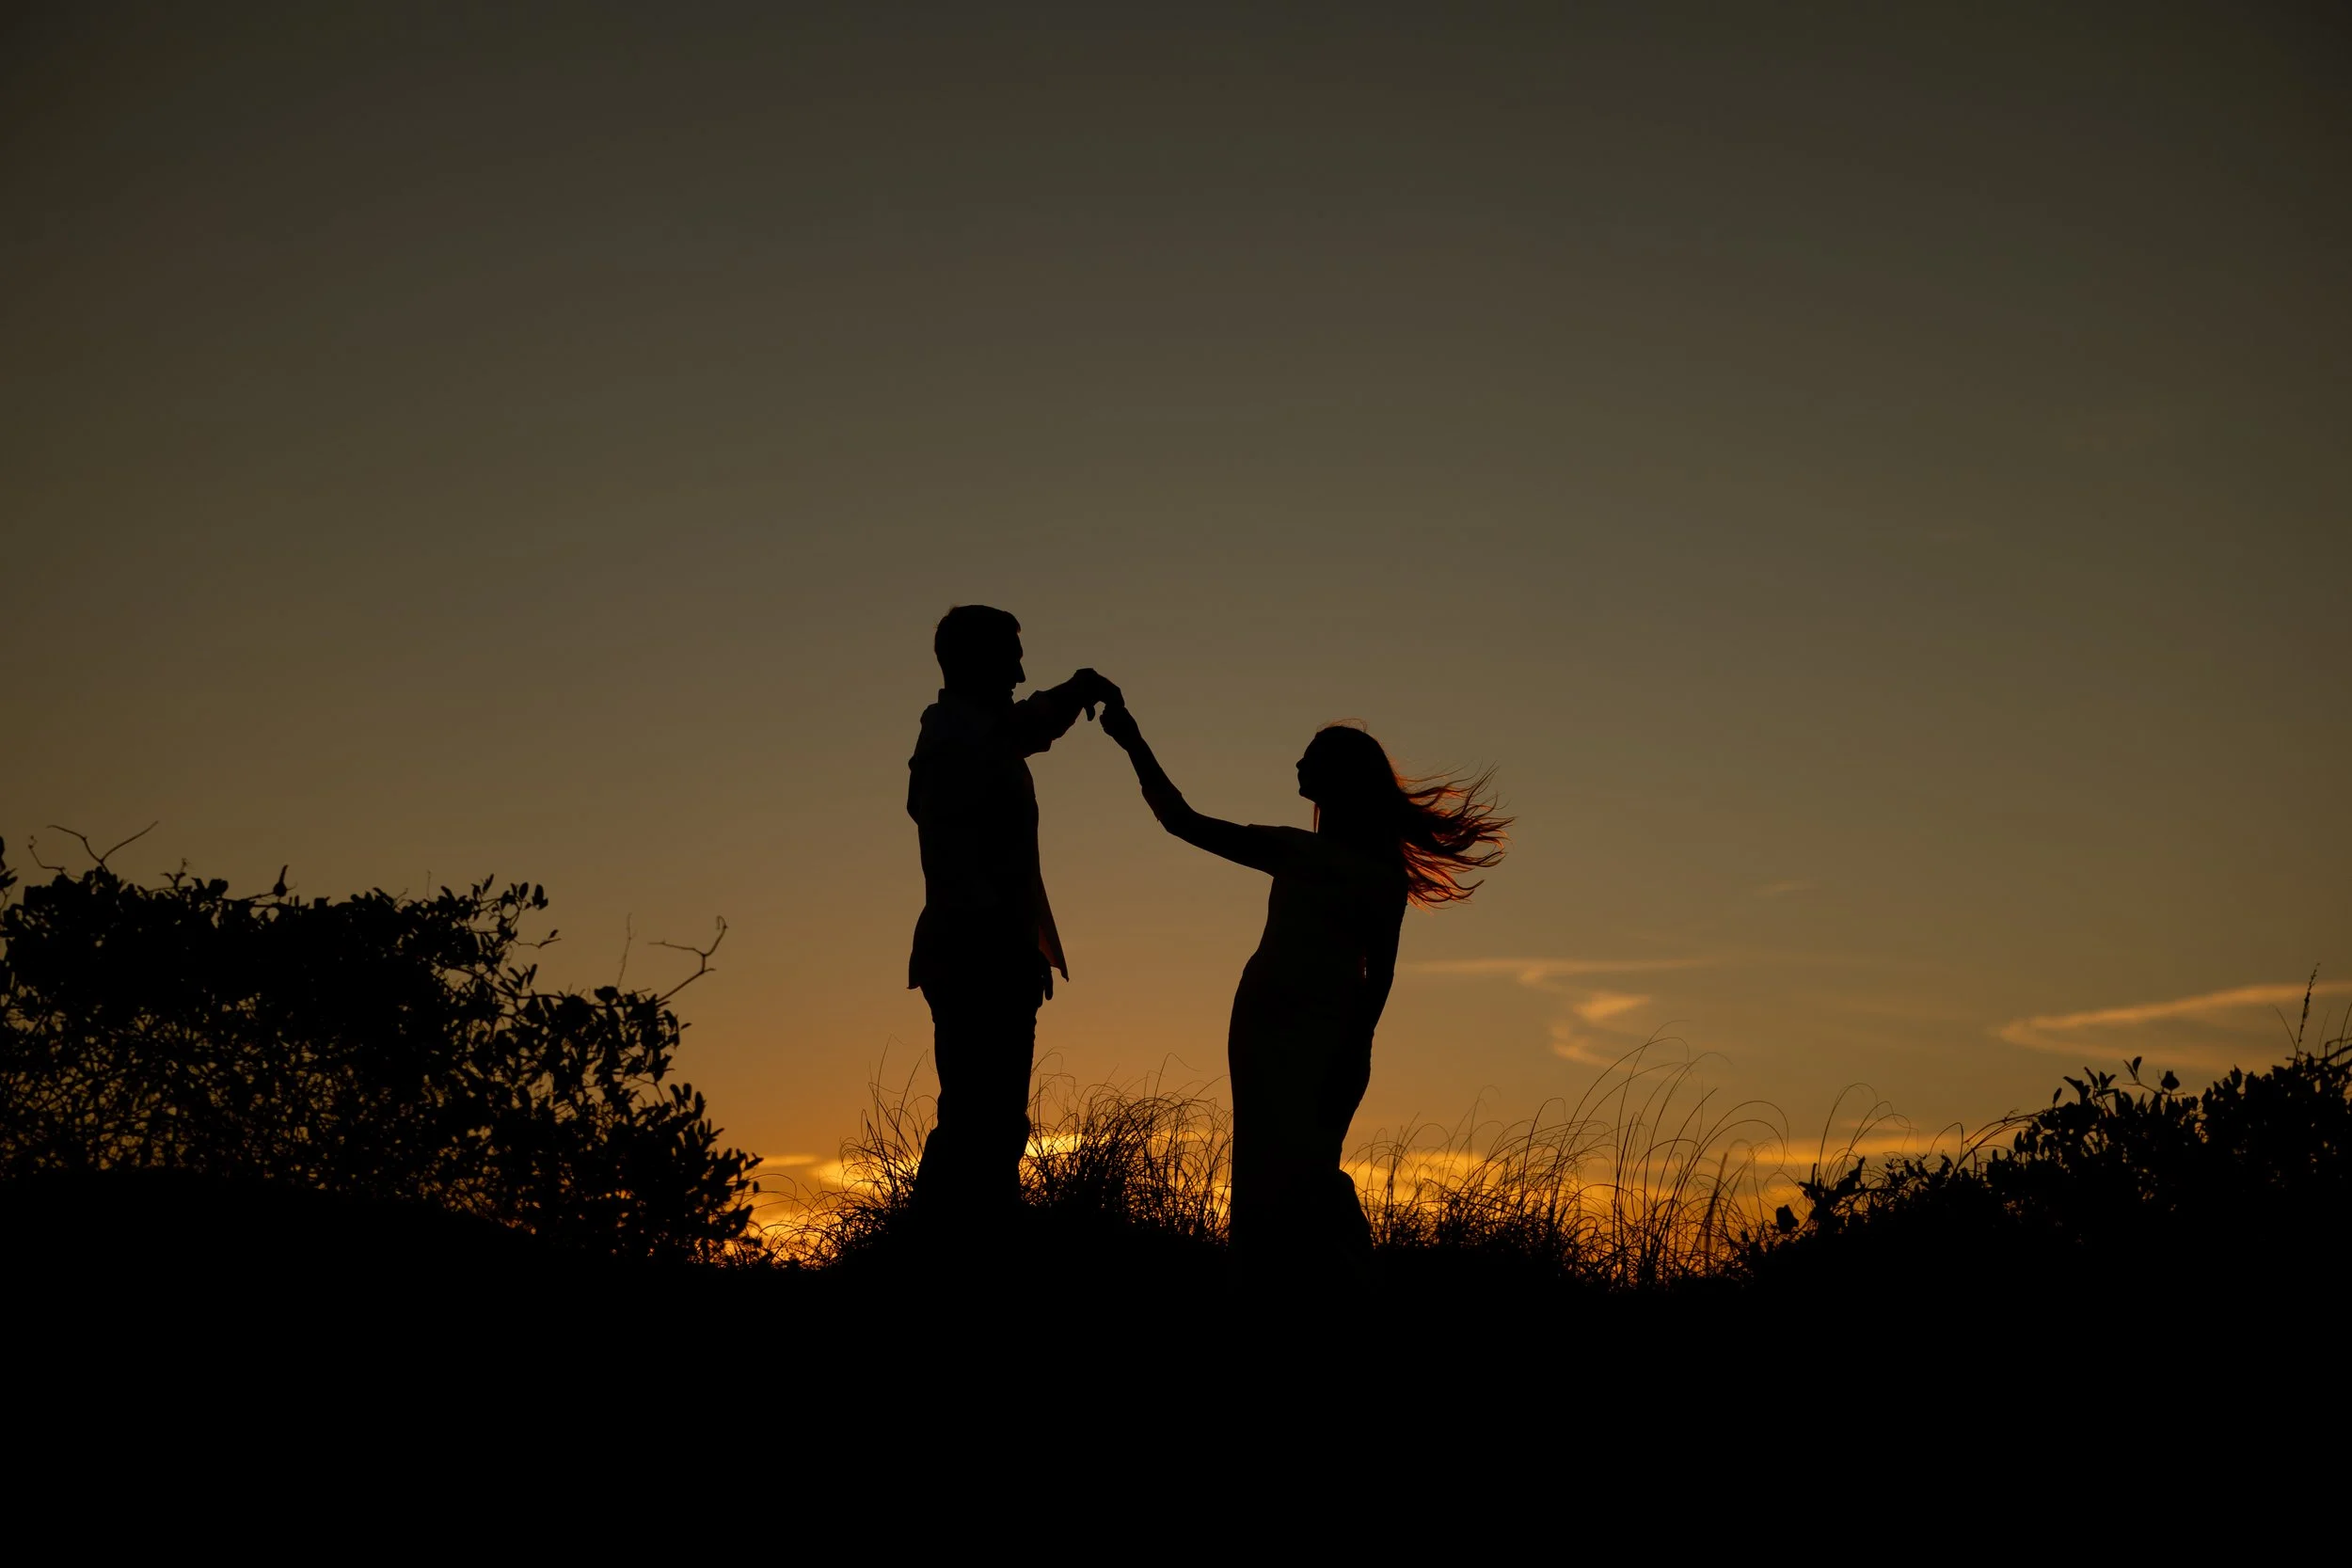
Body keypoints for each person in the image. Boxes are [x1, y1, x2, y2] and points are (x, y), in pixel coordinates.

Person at [1099, 702, 1507, 1284]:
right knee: (1291, 1170)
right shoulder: (1365, 868)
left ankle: (1314, 1284)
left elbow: (1180, 820)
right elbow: (1380, 977)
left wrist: (1132, 740)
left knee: (1297, 1174)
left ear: (1337, 777)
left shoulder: (1313, 855)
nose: (1296, 763)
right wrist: (1359, 1044)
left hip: (1304, 1026)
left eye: (1310, 758)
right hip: (1293, 1024)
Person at [906, 605, 1118, 1226]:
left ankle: (960, 1241)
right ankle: (945, 1245)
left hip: (985, 949)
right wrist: (1012, 944)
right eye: (1010, 657)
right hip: (977, 953)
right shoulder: (952, 743)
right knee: (980, 1121)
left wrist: (1079, 688)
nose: (1021, 671)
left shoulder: (969, 731)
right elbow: (957, 865)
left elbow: (1026, 723)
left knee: (990, 1119)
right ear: (977, 661)